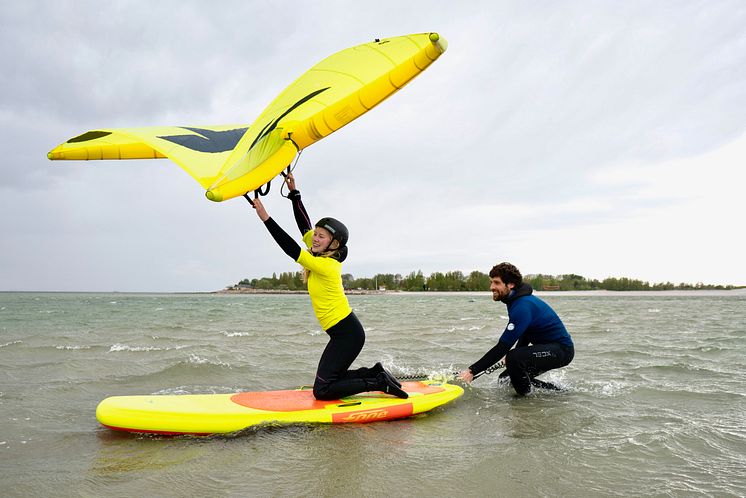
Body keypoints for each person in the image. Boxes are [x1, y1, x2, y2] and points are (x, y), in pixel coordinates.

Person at [250, 173, 407, 400]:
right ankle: (375, 372)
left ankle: (377, 382)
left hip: (347, 334)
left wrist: (266, 218)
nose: (315, 238)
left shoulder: (328, 265)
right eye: (317, 234)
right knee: (330, 381)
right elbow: (304, 226)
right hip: (343, 333)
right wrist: (295, 194)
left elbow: (291, 248)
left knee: (322, 391)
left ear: (333, 244)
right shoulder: (320, 250)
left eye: (321, 237)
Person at [458, 262, 574, 395]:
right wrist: (516, 354)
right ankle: (559, 393)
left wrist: (472, 371)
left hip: (561, 351)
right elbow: (526, 332)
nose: (491, 287)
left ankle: (524, 404)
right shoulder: (515, 300)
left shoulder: (522, 305)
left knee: (513, 357)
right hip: (550, 349)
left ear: (510, 284)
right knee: (506, 379)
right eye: (491, 282)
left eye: (496, 283)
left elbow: (503, 346)